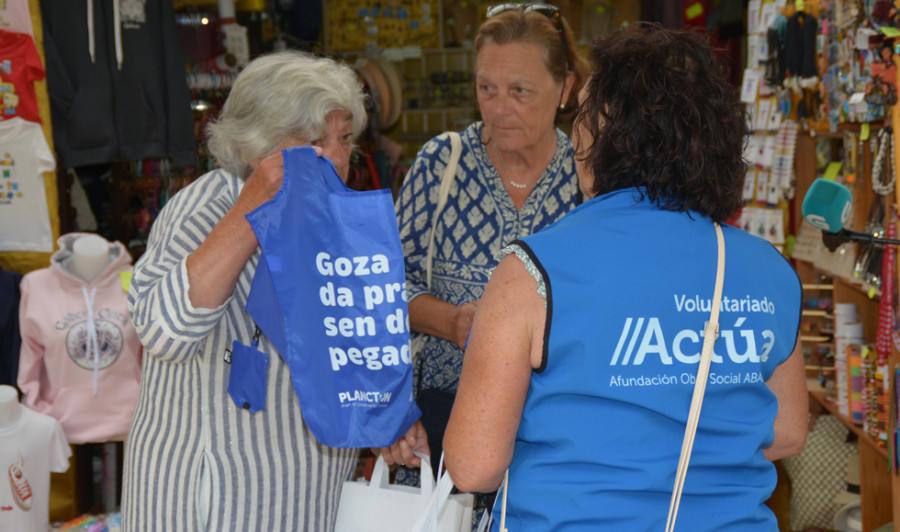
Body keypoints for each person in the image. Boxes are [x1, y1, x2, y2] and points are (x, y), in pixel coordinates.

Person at [443, 24, 809, 531]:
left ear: (608, 133)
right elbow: (786, 433)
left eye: (582, 118)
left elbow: (473, 464)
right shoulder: (768, 269)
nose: (573, 135)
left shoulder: (531, 269)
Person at [121, 51, 367, 531]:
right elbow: (163, 330)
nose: (338, 160)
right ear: (260, 149)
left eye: (345, 138)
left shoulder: (331, 218)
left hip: (306, 490)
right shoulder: (206, 206)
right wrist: (251, 209)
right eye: (316, 141)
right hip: (216, 498)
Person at [384, 2, 589, 481]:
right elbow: (386, 288)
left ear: (565, 89)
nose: (498, 108)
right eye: (486, 89)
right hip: (439, 433)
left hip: (555, 440)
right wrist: (453, 322)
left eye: (519, 91)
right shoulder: (442, 164)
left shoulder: (587, 176)